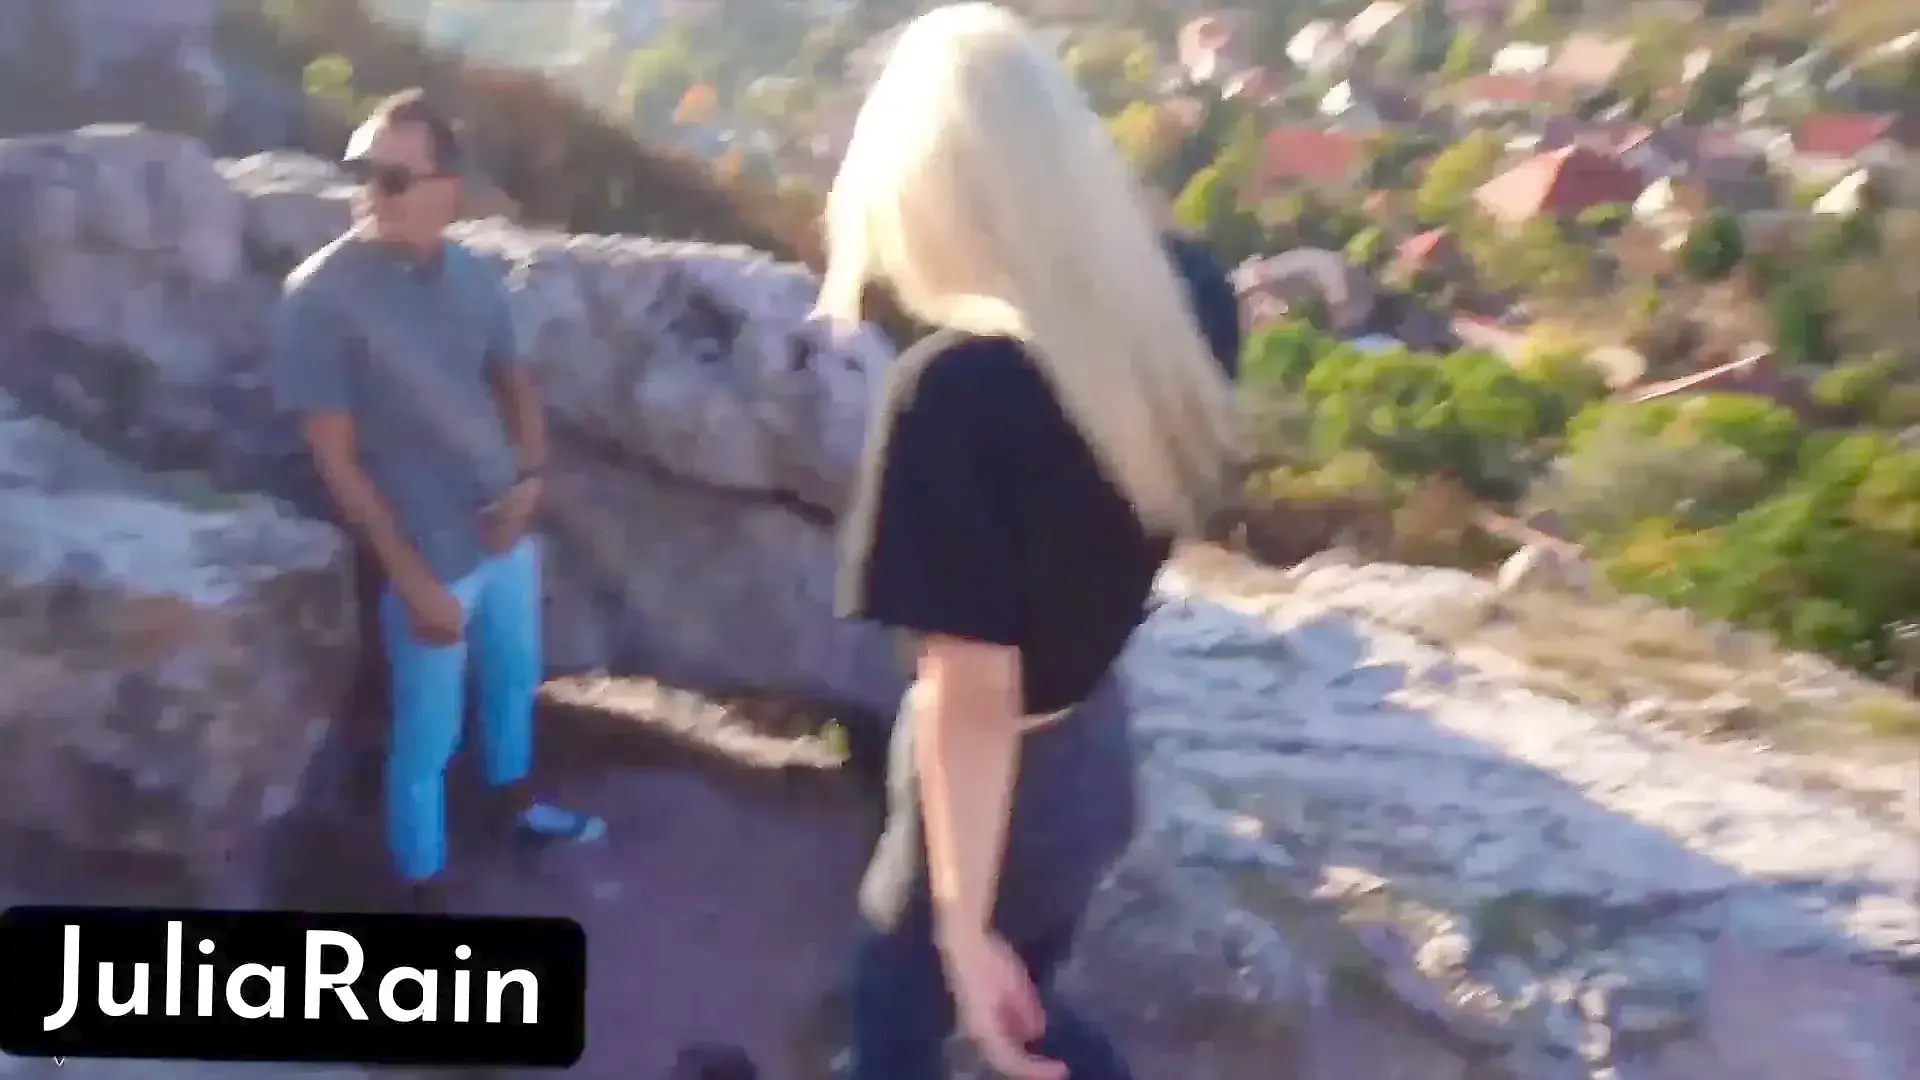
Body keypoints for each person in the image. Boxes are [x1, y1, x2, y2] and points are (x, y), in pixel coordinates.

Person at [822, 6, 1242, 1080]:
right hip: (1095, 756)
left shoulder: (954, 394)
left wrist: (959, 923)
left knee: (903, 1021)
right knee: (1025, 1004)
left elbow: (970, 691)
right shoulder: (1191, 296)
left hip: (990, 795)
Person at [269, 89, 604, 909]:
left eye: (393, 177)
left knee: (513, 681)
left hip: (502, 528)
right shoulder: (320, 297)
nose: (370, 193)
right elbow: (335, 459)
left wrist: (529, 481)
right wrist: (410, 579)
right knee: (425, 734)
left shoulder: (472, 275)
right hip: (425, 547)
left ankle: (517, 811)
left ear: (447, 189)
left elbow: (514, 385)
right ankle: (423, 888)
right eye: (362, 171)